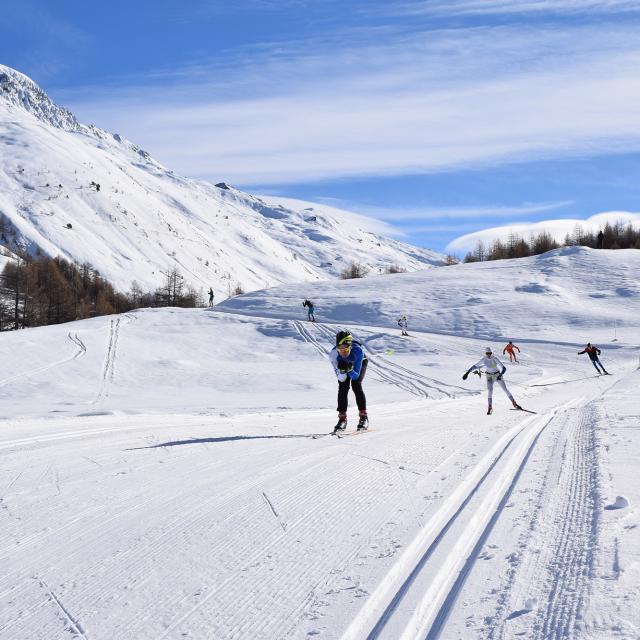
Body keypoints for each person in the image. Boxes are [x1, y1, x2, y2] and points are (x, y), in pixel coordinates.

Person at [462, 346, 522, 415]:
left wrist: (500, 375)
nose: (489, 354)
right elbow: (475, 366)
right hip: (489, 376)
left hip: (497, 375)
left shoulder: (494, 359)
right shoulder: (484, 359)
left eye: (490, 353)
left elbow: (504, 368)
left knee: (505, 389)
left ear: (491, 353)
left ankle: (514, 403)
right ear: (485, 353)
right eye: (487, 353)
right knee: (490, 391)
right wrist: (467, 372)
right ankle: (490, 407)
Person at [329, 330, 369, 431]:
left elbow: (355, 376)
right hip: (344, 366)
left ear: (350, 347)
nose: (343, 353)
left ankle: (363, 417)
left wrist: (350, 369)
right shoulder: (334, 355)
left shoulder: (358, 351)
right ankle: (342, 419)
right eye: (340, 350)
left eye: (346, 350)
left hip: (359, 363)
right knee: (343, 387)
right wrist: (342, 371)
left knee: (356, 385)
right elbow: (341, 379)